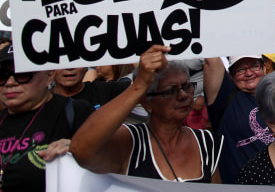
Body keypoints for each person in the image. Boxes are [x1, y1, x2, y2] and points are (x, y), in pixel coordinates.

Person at [70, 45, 222, 183]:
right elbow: (81, 150)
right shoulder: (131, 142)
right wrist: (140, 85)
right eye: (170, 90)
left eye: (187, 86)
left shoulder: (205, 142)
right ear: (147, 103)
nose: (183, 95)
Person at [0, 45, 94, 191]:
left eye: (22, 74)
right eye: (2, 75)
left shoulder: (75, 112)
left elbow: (112, 157)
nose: (10, 82)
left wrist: (79, 149)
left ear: (49, 75)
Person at [204, 54, 275, 183]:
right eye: (240, 70)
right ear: (231, 75)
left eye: (254, 66)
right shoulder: (224, 97)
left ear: (264, 67)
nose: (248, 73)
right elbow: (211, 59)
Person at [53, 66, 129, 110]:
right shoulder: (42, 101)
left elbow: (139, 87)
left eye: (75, 61)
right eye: (62, 62)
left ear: (86, 66)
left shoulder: (107, 90)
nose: (69, 68)